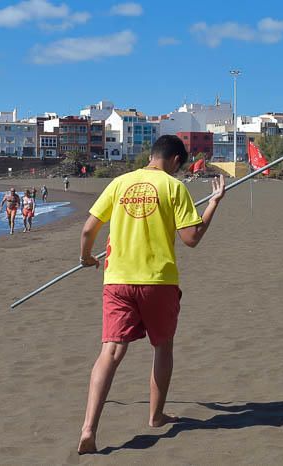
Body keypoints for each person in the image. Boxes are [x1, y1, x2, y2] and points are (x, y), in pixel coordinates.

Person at [77, 134, 226, 454]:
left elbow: (89, 229)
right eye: (179, 167)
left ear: (151, 155)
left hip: (117, 279)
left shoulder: (120, 183)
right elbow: (192, 238)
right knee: (163, 347)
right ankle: (156, 416)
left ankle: (89, 428)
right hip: (158, 281)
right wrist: (213, 204)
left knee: (111, 352)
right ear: (174, 161)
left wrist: (86, 257)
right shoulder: (174, 187)